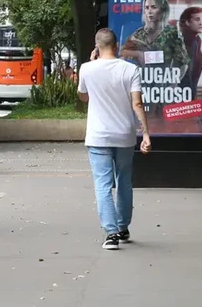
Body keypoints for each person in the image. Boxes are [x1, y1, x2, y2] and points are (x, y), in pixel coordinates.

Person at [78, 28, 152, 250]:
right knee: (124, 182)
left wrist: (91, 64)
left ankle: (111, 235)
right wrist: (146, 133)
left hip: (98, 136)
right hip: (124, 135)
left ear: (96, 46)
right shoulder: (130, 70)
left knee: (102, 184)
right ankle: (123, 227)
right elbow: (137, 104)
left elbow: (83, 97)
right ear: (116, 45)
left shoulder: (86, 69)